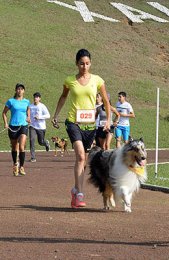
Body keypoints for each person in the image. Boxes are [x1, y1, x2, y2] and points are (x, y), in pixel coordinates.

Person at [52, 49, 111, 208]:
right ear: (76, 64)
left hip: (90, 125)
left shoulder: (97, 80)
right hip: (73, 122)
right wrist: (56, 115)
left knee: (83, 161)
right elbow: (63, 96)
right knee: (79, 156)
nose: (84, 66)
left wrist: (108, 121)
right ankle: (79, 194)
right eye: (81, 63)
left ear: (90, 63)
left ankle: (74, 190)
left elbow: (106, 101)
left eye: (87, 63)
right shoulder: (70, 80)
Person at [2, 83, 30, 176]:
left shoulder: (26, 101)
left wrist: (28, 117)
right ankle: (15, 165)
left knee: (22, 146)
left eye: (21, 89)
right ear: (15, 90)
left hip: (23, 126)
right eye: (18, 89)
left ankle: (21, 166)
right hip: (12, 126)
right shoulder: (11, 101)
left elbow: (28, 109)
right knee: (14, 147)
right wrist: (6, 123)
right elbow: (4, 113)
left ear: (24, 91)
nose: (20, 90)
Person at [28, 92, 51, 162]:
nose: (35, 98)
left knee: (40, 142)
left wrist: (40, 117)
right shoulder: (30, 106)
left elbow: (48, 115)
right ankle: (33, 157)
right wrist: (27, 119)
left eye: (37, 97)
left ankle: (46, 143)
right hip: (32, 126)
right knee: (32, 140)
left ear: (39, 99)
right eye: (35, 97)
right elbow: (28, 115)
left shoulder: (42, 106)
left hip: (41, 127)